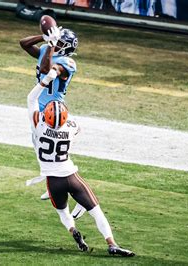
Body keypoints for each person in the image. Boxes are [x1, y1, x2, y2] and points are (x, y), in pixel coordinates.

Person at [25, 55, 135, 256]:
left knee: (63, 212)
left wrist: (46, 79)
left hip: (52, 180)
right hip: (70, 176)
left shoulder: (37, 125)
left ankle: (73, 230)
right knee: (96, 211)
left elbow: (31, 99)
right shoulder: (71, 128)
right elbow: (73, 124)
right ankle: (111, 244)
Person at [20, 26, 87, 217]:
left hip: (55, 113)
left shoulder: (68, 62)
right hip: (40, 110)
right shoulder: (47, 50)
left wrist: (50, 45)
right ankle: (53, 186)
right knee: (40, 149)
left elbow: (45, 69)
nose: (57, 44)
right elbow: (24, 44)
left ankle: (79, 199)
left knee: (56, 154)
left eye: (60, 42)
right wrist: (44, 36)